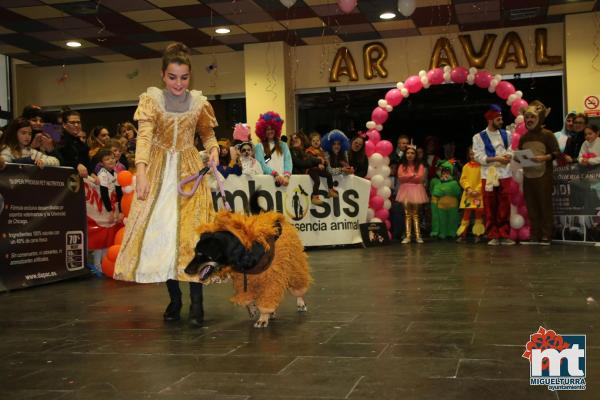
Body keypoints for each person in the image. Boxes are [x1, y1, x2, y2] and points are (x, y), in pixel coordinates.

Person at [113, 42, 220, 327]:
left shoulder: (198, 103)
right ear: (163, 75)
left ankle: (197, 304)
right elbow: (144, 138)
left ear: (190, 76)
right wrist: (142, 171)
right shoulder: (151, 100)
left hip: (188, 171)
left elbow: (207, 134)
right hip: (159, 172)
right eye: (173, 77)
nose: (178, 83)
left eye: (184, 77)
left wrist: (213, 150)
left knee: (192, 237)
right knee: (161, 237)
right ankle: (175, 299)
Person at [519, 101, 560, 245]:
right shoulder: (523, 137)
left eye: (533, 117)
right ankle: (535, 234)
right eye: (527, 117)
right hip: (528, 177)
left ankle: (546, 235)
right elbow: (521, 156)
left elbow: (557, 153)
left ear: (540, 118)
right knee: (531, 208)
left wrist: (545, 157)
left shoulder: (548, 135)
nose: (529, 120)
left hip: (544, 177)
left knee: (545, 206)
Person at [472, 104, 514, 245]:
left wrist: (508, 157)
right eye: (498, 119)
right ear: (490, 120)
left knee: (505, 204)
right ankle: (493, 234)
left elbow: (512, 149)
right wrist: (496, 158)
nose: (501, 121)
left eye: (501, 118)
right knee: (490, 205)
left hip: (505, 174)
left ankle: (504, 234)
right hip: (489, 174)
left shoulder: (507, 134)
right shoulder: (478, 137)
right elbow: (478, 156)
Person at [92, 148, 124, 269]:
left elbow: (120, 194)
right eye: (106, 159)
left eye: (111, 158)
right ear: (101, 163)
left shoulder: (115, 174)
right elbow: (104, 194)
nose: (110, 160)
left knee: (109, 237)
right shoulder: (103, 174)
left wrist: (120, 211)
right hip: (104, 209)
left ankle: (105, 264)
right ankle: (96, 265)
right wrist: (110, 211)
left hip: (113, 208)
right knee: (102, 237)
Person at [395, 145, 428, 243]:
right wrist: (412, 175)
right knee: (407, 214)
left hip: (417, 190)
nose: (410, 155)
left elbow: (420, 178)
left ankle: (418, 236)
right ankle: (408, 236)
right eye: (408, 153)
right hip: (405, 190)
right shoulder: (402, 166)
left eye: (412, 153)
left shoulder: (420, 166)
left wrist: (408, 177)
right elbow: (401, 178)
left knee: (416, 214)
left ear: (416, 155)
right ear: (405, 154)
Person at [254, 111, 292, 187]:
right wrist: (275, 174)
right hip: (267, 181)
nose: (270, 131)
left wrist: (287, 176)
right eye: (267, 129)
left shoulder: (283, 145)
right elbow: (261, 165)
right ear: (263, 131)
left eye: (272, 129)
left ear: (276, 129)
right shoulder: (259, 147)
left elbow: (288, 161)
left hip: (283, 181)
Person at [456, 146, 485, 243]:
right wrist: (468, 188)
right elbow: (463, 179)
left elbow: (483, 179)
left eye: (475, 154)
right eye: (471, 154)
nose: (473, 156)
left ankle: (478, 235)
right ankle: (462, 235)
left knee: (478, 215)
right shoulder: (466, 166)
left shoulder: (482, 166)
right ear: (469, 155)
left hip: (478, 195)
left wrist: (477, 190)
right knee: (466, 215)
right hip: (468, 194)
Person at [305, 132, 336, 205]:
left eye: (317, 140)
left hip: (319, 170)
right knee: (317, 181)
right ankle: (315, 197)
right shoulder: (309, 150)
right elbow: (310, 160)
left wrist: (324, 163)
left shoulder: (321, 150)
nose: (316, 142)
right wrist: (318, 163)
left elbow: (325, 161)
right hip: (311, 169)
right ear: (310, 142)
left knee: (329, 175)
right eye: (313, 141)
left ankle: (330, 190)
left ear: (320, 141)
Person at [57, 110, 89, 177]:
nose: (76, 125)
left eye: (78, 122)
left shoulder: (82, 144)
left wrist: (92, 173)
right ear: (64, 125)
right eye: (72, 122)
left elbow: (86, 162)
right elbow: (59, 161)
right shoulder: (59, 141)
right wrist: (76, 165)